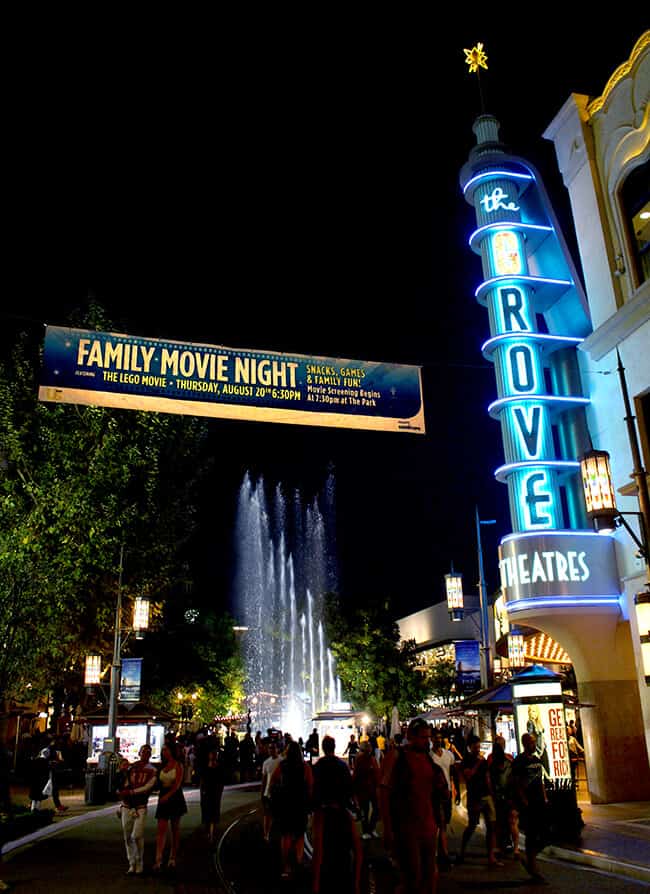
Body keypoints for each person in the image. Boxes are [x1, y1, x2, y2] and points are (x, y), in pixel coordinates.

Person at [379, 717, 448, 894]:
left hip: (428, 826)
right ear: (411, 736)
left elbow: (435, 791)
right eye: (423, 737)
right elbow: (384, 791)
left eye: (428, 737)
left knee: (430, 874)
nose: (427, 742)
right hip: (407, 827)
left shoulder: (427, 759)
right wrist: (387, 827)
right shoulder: (397, 757)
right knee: (412, 876)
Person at [312, 735, 361, 894]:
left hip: (323, 811)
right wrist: (355, 805)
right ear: (333, 747)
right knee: (356, 848)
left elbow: (314, 789)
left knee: (319, 849)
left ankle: (317, 883)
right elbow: (350, 788)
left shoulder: (318, 766)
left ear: (323, 747)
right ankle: (356, 882)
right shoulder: (342, 766)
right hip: (341, 810)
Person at [270, 740, 313, 880]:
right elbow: (310, 786)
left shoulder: (282, 765)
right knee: (300, 835)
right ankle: (298, 862)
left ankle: (286, 866)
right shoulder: (305, 766)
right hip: (300, 805)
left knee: (286, 835)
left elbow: (273, 782)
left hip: (286, 805)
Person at [457, 734, 502, 867]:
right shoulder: (467, 760)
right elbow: (468, 775)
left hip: (486, 795)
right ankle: (462, 851)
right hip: (474, 797)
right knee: (472, 825)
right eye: (475, 747)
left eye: (479, 746)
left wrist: (491, 792)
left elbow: (487, 776)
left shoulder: (483, 760)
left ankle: (491, 856)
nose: (478, 749)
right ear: (470, 747)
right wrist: (478, 763)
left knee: (491, 825)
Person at [512, 732, 548, 882]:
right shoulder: (519, 761)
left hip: (539, 801)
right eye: (531, 742)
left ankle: (530, 858)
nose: (534, 744)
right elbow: (516, 783)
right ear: (525, 743)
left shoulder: (536, 760)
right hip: (529, 803)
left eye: (534, 741)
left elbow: (540, 780)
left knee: (544, 833)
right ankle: (533, 867)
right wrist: (524, 800)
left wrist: (544, 797)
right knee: (531, 834)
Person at [116, 743, 157, 876]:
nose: (145, 754)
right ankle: (132, 863)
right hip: (127, 805)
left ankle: (139, 861)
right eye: (143, 751)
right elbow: (124, 783)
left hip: (140, 806)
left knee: (136, 835)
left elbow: (148, 787)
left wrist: (131, 792)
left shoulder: (152, 770)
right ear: (139, 753)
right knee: (127, 835)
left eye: (148, 752)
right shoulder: (132, 768)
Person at [153, 743, 187, 872]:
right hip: (163, 796)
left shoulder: (178, 765)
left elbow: (177, 784)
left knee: (174, 828)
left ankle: (172, 857)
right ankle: (158, 859)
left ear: (172, 751)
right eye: (163, 750)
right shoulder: (162, 765)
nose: (164, 752)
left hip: (175, 797)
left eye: (166, 749)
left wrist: (168, 795)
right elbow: (158, 782)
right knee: (161, 829)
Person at [487, 736, 519, 860]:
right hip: (501, 796)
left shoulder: (508, 760)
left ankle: (513, 848)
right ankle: (504, 846)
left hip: (508, 796)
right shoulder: (493, 761)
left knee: (511, 821)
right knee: (501, 822)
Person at [431, 731, 456, 868]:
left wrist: (455, 790)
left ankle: (441, 852)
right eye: (436, 738)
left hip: (447, 792)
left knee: (444, 823)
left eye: (440, 738)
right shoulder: (429, 756)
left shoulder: (449, 755)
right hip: (435, 794)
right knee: (439, 823)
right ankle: (442, 854)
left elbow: (452, 773)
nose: (438, 740)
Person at [353, 740, 380, 839]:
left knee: (376, 809)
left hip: (372, 788)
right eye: (367, 748)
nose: (369, 750)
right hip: (363, 789)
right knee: (365, 810)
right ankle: (366, 830)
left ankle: (371, 828)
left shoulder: (372, 759)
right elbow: (356, 775)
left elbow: (377, 773)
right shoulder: (360, 760)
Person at [200, 749, 225, 844]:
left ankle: (212, 832)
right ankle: (208, 831)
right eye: (212, 754)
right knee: (207, 811)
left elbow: (221, 782)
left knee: (214, 812)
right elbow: (202, 781)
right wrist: (202, 792)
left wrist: (220, 792)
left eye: (215, 755)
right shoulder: (205, 767)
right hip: (207, 792)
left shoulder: (219, 768)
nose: (213, 756)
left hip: (215, 792)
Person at [261, 740, 282, 842]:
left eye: (273, 748)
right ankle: (266, 834)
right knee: (267, 815)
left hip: (278, 793)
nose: (272, 750)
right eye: (270, 748)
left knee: (276, 815)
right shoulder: (266, 763)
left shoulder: (281, 761)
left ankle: (275, 834)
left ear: (277, 749)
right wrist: (262, 793)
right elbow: (264, 779)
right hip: (268, 793)